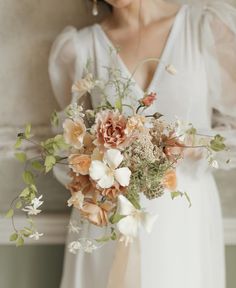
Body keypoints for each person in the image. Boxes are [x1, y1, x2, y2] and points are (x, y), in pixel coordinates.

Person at [49, 0, 236, 287]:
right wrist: (97, 157)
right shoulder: (81, 48)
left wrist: (189, 145)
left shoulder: (204, 27)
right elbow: (68, 147)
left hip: (183, 217)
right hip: (110, 220)